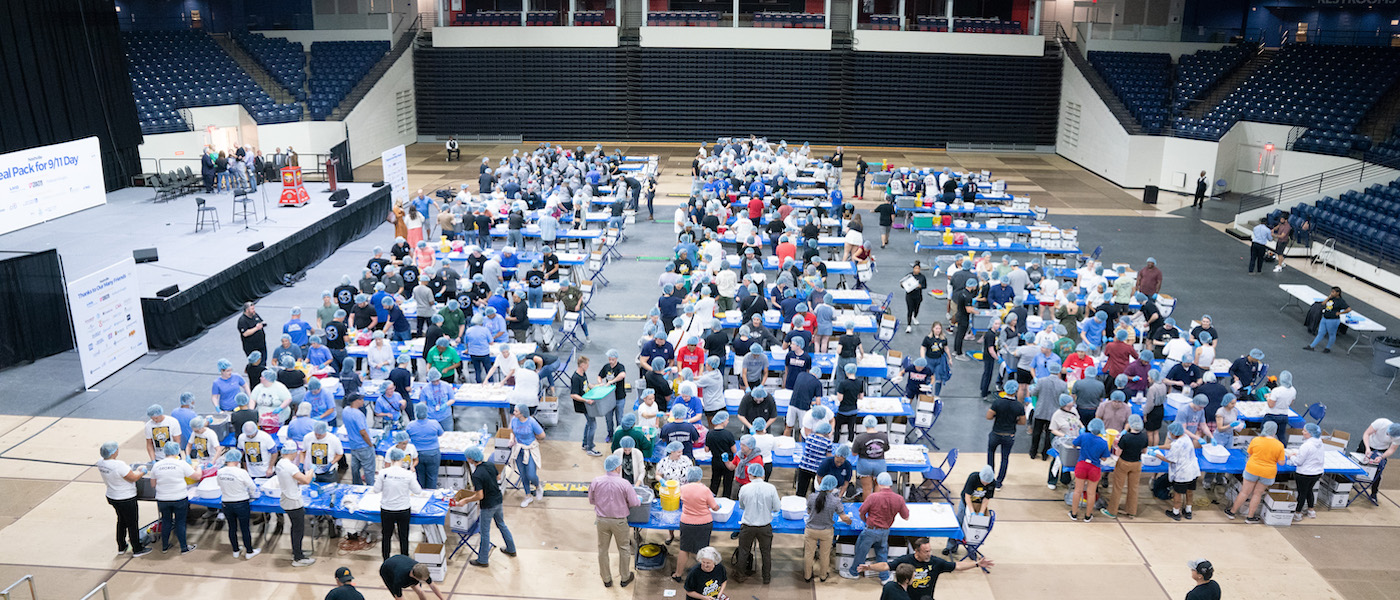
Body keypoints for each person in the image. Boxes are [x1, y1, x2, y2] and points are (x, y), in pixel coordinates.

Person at [588, 454, 640, 587]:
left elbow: (591, 500)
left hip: (601, 520)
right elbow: (634, 502)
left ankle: (606, 579)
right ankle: (625, 577)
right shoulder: (624, 483)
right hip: (619, 521)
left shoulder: (596, 481)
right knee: (623, 548)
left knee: (602, 550)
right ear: (617, 468)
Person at [846, 472, 909, 582]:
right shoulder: (898, 498)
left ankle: (854, 572)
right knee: (882, 554)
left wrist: (866, 521)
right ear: (890, 484)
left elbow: (861, 512)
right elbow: (906, 517)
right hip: (885, 531)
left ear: (878, 483)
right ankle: (884, 578)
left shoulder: (873, 497)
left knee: (861, 552)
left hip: (870, 530)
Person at [462, 445, 516, 567]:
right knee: (501, 524)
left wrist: (466, 500)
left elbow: (480, 496)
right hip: (498, 499)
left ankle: (483, 560)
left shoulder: (476, 475)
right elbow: (497, 476)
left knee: (485, 532)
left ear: (471, 459)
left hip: (487, 505)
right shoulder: (490, 465)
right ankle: (511, 549)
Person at [1224, 420, 1286, 524]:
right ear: (1275, 431)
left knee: (1244, 492)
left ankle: (1232, 512)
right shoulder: (1279, 445)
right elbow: (1281, 462)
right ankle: (1250, 517)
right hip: (1268, 472)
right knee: (1257, 494)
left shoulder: (1256, 440)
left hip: (1252, 469)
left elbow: (1249, 455)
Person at [96, 442, 152, 557]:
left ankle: (121, 546)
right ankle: (137, 548)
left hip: (112, 496)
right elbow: (133, 478)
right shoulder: (118, 465)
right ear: (113, 452)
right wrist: (142, 471)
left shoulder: (100, 462)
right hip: (125, 497)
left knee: (121, 521)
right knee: (132, 523)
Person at [735, 462, 779, 584]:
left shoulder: (744, 488)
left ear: (750, 475)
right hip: (765, 526)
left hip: (748, 526)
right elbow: (776, 508)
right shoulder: (771, 488)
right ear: (763, 475)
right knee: (766, 552)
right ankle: (766, 578)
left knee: (743, 551)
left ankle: (740, 576)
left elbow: (742, 505)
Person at [151, 441, 197, 554]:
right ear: (177, 451)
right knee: (180, 522)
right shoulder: (181, 464)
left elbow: (153, 484)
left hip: (162, 499)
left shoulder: (156, 465)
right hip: (179, 498)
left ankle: (165, 546)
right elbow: (196, 476)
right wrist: (199, 468)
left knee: (166, 521)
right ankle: (184, 547)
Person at [674, 466, 718, 583]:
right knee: (703, 550)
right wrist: (718, 506)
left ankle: (678, 574)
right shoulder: (705, 490)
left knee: (684, 549)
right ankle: (702, 576)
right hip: (704, 523)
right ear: (700, 476)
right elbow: (714, 507)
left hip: (687, 522)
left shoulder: (682, 488)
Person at [216, 449, 261, 559]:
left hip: (226, 504)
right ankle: (249, 551)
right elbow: (252, 487)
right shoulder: (241, 472)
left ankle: (235, 550)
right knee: (244, 528)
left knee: (232, 527)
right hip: (241, 503)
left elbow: (219, 484)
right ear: (237, 460)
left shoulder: (220, 472)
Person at [944, 466, 995, 556]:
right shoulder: (973, 478)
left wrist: (981, 513)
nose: (986, 484)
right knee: (958, 522)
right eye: (984, 482)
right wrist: (972, 512)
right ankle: (951, 546)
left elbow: (986, 499)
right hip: (966, 502)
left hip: (978, 503)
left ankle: (972, 549)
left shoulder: (992, 483)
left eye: (988, 483)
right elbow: (967, 496)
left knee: (976, 527)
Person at [1159, 421, 1203, 521]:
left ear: (1174, 433)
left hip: (1182, 473)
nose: (1169, 435)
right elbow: (1171, 446)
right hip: (1193, 471)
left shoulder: (1177, 444)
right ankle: (1188, 511)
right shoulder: (1186, 437)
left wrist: (1157, 454)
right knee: (1189, 491)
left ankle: (1175, 512)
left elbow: (1169, 459)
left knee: (1177, 493)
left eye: (1170, 433)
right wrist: (1158, 447)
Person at [986, 381, 1026, 488]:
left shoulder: (998, 403)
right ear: (1016, 391)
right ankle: (998, 483)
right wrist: (1013, 422)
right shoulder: (1019, 406)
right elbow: (1023, 422)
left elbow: (989, 416)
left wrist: (997, 416)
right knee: (1004, 458)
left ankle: (989, 480)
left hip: (995, 433)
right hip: (1009, 435)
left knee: (991, 454)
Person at [1070, 418, 1109, 522]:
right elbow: (1104, 458)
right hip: (1094, 468)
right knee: (1091, 493)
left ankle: (1074, 513)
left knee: (1077, 491)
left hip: (1082, 465)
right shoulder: (1103, 443)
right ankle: (1088, 516)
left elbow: (1074, 444)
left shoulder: (1084, 436)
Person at [509, 403, 546, 507]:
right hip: (519, 449)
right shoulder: (514, 420)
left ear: (522, 413)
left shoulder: (531, 422)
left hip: (529, 449)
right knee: (523, 474)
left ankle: (538, 486)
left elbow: (542, 435)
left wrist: (533, 438)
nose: (513, 413)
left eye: (516, 411)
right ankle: (528, 495)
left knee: (531, 474)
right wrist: (512, 439)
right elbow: (511, 431)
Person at [1302, 286, 1350, 353]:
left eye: (1333, 292)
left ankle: (1328, 348)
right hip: (1325, 318)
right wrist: (1329, 297)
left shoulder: (1341, 301)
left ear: (1338, 293)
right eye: (1331, 291)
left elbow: (1348, 309)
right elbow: (1323, 304)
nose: (1331, 293)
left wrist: (1340, 313)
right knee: (1320, 333)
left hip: (1333, 320)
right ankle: (1311, 346)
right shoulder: (1331, 298)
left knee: (1332, 334)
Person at [1293, 422, 1325, 521]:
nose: (1302, 432)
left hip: (1305, 473)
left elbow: (1298, 461)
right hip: (1317, 473)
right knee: (1309, 490)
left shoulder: (1306, 446)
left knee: (1302, 493)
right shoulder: (1320, 442)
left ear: (1310, 433)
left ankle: (1298, 513)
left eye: (1305, 431)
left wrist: (1292, 457)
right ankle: (1311, 510)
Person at [407, 404, 444, 489]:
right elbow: (441, 433)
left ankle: (421, 496)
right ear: (427, 412)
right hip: (433, 454)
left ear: (416, 413)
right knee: (432, 477)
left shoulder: (410, 425)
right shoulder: (434, 423)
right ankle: (431, 495)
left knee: (420, 477)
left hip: (417, 455)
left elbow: (407, 437)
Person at [379, 554, 446, 600]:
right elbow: (399, 597)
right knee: (397, 596)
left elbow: (433, 586)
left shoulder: (421, 569)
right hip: (387, 571)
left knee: (420, 591)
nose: (425, 581)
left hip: (400, 560)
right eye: (422, 580)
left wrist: (443, 599)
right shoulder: (399, 579)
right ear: (415, 577)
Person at [342, 394, 376, 485]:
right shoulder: (358, 414)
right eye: (361, 399)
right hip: (363, 446)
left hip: (353, 445)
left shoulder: (345, 411)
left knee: (355, 469)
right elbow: (363, 432)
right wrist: (370, 444)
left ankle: (357, 486)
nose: (363, 401)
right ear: (356, 401)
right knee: (369, 469)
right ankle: (370, 488)